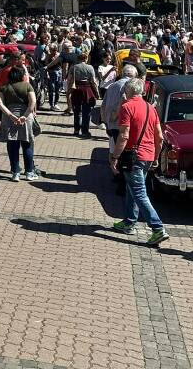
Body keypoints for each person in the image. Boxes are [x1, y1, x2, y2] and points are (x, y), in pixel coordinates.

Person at [108, 78, 169, 246]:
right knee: (132, 188)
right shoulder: (151, 109)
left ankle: (157, 228)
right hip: (148, 155)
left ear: (127, 92)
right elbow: (160, 137)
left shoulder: (127, 107)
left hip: (133, 155)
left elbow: (124, 135)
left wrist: (114, 156)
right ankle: (129, 221)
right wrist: (156, 157)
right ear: (141, 91)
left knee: (140, 193)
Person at [0, 65, 39, 181]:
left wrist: (11, 115)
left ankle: (15, 173)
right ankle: (29, 173)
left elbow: (0, 103)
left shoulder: (3, 87)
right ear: (21, 75)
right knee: (27, 145)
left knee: (12, 145)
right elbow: (33, 101)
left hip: (9, 119)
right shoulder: (27, 86)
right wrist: (24, 116)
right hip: (25, 117)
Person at [68, 50, 99, 138]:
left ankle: (76, 129)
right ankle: (85, 131)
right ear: (86, 58)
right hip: (87, 89)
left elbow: (70, 80)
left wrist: (69, 91)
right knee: (87, 111)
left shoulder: (73, 67)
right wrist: (96, 92)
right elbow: (93, 81)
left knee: (77, 111)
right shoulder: (90, 68)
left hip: (76, 89)